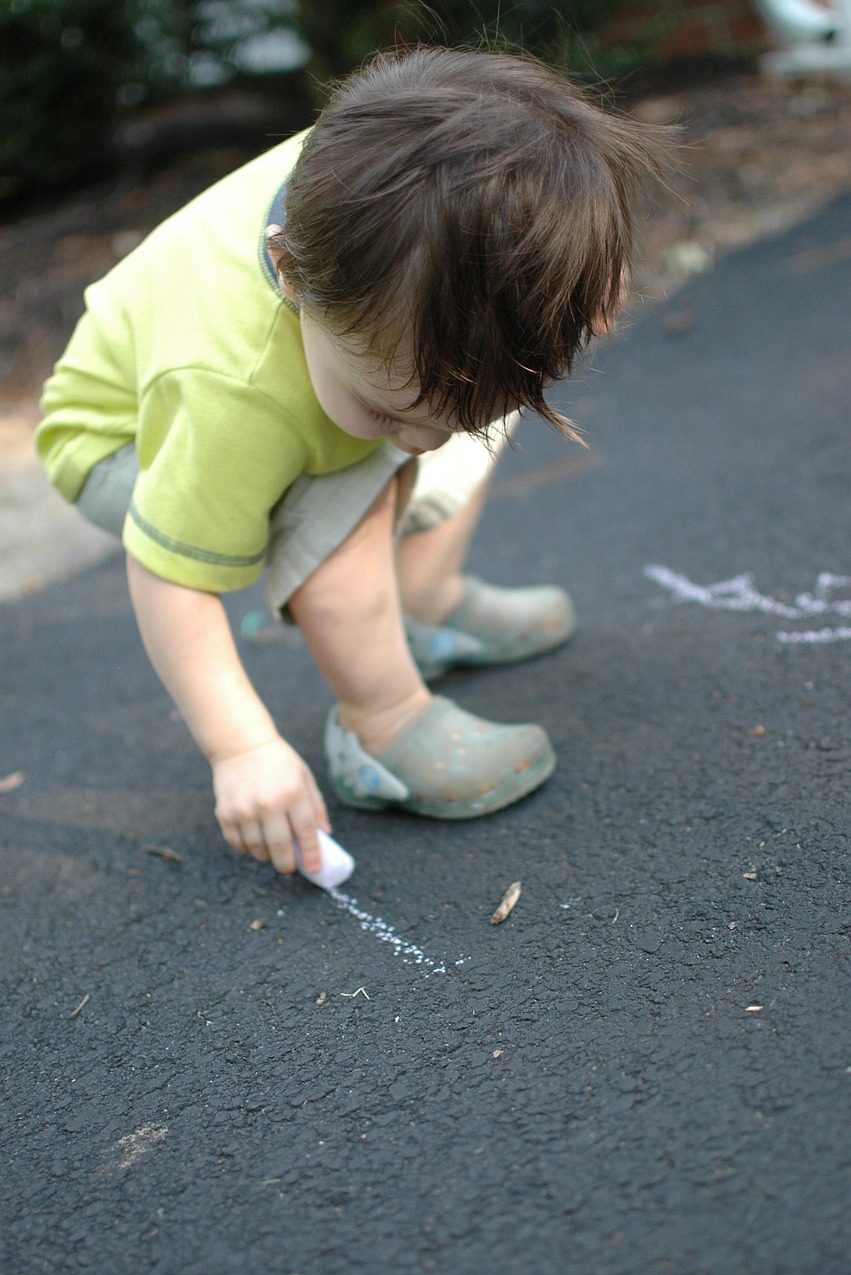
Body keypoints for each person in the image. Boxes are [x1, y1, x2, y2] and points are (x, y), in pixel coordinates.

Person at [36, 46, 666, 879]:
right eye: (389, 411)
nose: (420, 442)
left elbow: (482, 277)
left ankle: (424, 602)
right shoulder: (234, 390)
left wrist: (574, 285)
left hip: (290, 377)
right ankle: (385, 721)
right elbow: (169, 576)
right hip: (125, 441)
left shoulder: (391, 200)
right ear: (293, 274)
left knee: (469, 396)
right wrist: (242, 748)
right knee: (350, 488)